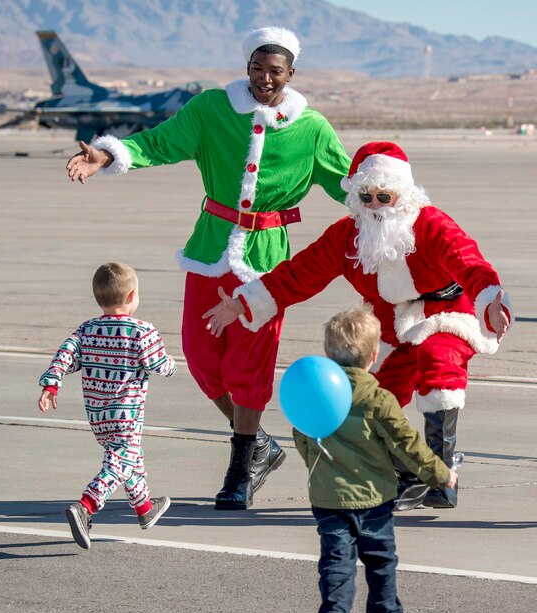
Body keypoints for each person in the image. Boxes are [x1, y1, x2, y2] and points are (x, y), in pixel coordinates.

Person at [64, 27, 352, 511]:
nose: (265, 78)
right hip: (210, 248)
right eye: (257, 68)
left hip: (265, 264)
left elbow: (348, 183)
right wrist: (108, 154)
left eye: (275, 72)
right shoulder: (211, 109)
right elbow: (158, 143)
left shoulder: (312, 128)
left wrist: (393, 203)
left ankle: (241, 466)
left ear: (291, 75)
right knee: (200, 360)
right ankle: (258, 442)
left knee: (249, 365)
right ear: (246, 68)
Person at [204, 141, 511, 508]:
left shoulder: (430, 224)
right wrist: (243, 302)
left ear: (404, 194)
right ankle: (406, 471)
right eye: (367, 197)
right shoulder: (348, 235)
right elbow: (300, 273)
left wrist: (491, 301)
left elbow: (468, 262)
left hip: (445, 313)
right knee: (371, 396)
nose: (376, 206)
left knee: (436, 361)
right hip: (390, 323)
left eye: (385, 196)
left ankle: (442, 475)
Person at [293, 309, 457, 613]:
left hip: (327, 499)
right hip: (373, 500)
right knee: (381, 561)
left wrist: (319, 473)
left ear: (327, 353)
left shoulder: (314, 394)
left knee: (337, 561)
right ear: (373, 356)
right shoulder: (377, 398)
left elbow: (302, 435)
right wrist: (440, 474)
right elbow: (407, 444)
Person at [38, 262, 176, 549]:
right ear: (131, 296)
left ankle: (144, 508)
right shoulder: (142, 331)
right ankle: (87, 505)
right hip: (127, 413)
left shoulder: (87, 329)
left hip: (98, 415)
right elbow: (160, 365)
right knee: (120, 462)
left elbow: (66, 354)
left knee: (128, 459)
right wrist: (171, 364)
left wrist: (52, 383)